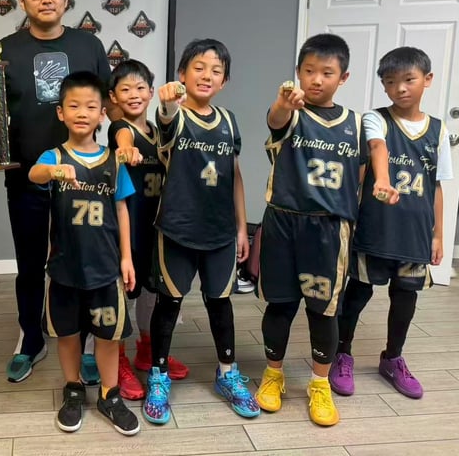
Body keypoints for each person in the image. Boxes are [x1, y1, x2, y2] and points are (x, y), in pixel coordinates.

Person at [0, 0, 117, 384]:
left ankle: (89, 343)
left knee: (85, 259)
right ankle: (31, 339)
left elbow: (109, 106)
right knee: (31, 261)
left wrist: (123, 142)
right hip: (28, 176)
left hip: (84, 180)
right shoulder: (5, 49)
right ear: (21, 0)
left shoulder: (89, 46)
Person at [142, 39, 258, 425]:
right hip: (177, 228)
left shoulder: (228, 120)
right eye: (198, 67)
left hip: (220, 232)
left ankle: (227, 373)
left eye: (216, 70)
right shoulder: (174, 115)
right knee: (169, 304)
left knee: (220, 304)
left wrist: (241, 228)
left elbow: (235, 176)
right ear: (182, 74)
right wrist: (167, 103)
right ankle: (158, 375)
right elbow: (166, 118)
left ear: (225, 81)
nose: (207, 75)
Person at [254, 33, 365, 427]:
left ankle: (319, 383)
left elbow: (361, 175)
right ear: (298, 73)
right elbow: (275, 120)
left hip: (329, 229)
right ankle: (273, 374)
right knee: (280, 304)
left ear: (343, 77)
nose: (316, 79)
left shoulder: (356, 124)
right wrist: (283, 104)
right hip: (284, 221)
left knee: (323, 309)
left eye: (327, 72)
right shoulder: (291, 112)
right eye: (309, 71)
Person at [330, 47, 452, 399]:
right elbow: (377, 147)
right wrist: (382, 180)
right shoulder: (376, 119)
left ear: (427, 80)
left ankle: (392, 358)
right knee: (358, 292)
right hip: (375, 229)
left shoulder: (439, 130)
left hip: (415, 234)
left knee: (405, 297)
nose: (400, 88)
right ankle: (342, 353)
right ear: (383, 86)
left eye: (409, 79)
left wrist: (438, 234)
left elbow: (437, 186)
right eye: (390, 82)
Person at [29, 71, 140, 436]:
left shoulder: (113, 161)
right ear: (61, 112)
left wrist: (126, 258)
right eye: (74, 106)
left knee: (108, 335)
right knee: (67, 333)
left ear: (102, 113)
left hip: (105, 268)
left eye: (91, 106)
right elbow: (34, 174)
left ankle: (110, 394)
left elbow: (122, 209)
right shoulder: (55, 156)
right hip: (65, 267)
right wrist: (53, 171)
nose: (82, 113)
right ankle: (73, 388)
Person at [106, 59, 189, 401]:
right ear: (113, 97)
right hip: (128, 227)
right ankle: (118, 360)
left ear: (152, 92)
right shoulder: (120, 128)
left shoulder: (159, 131)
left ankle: (146, 348)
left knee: (152, 292)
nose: (134, 94)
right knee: (125, 293)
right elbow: (122, 138)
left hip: (158, 227)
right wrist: (126, 150)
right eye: (125, 89)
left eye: (140, 88)